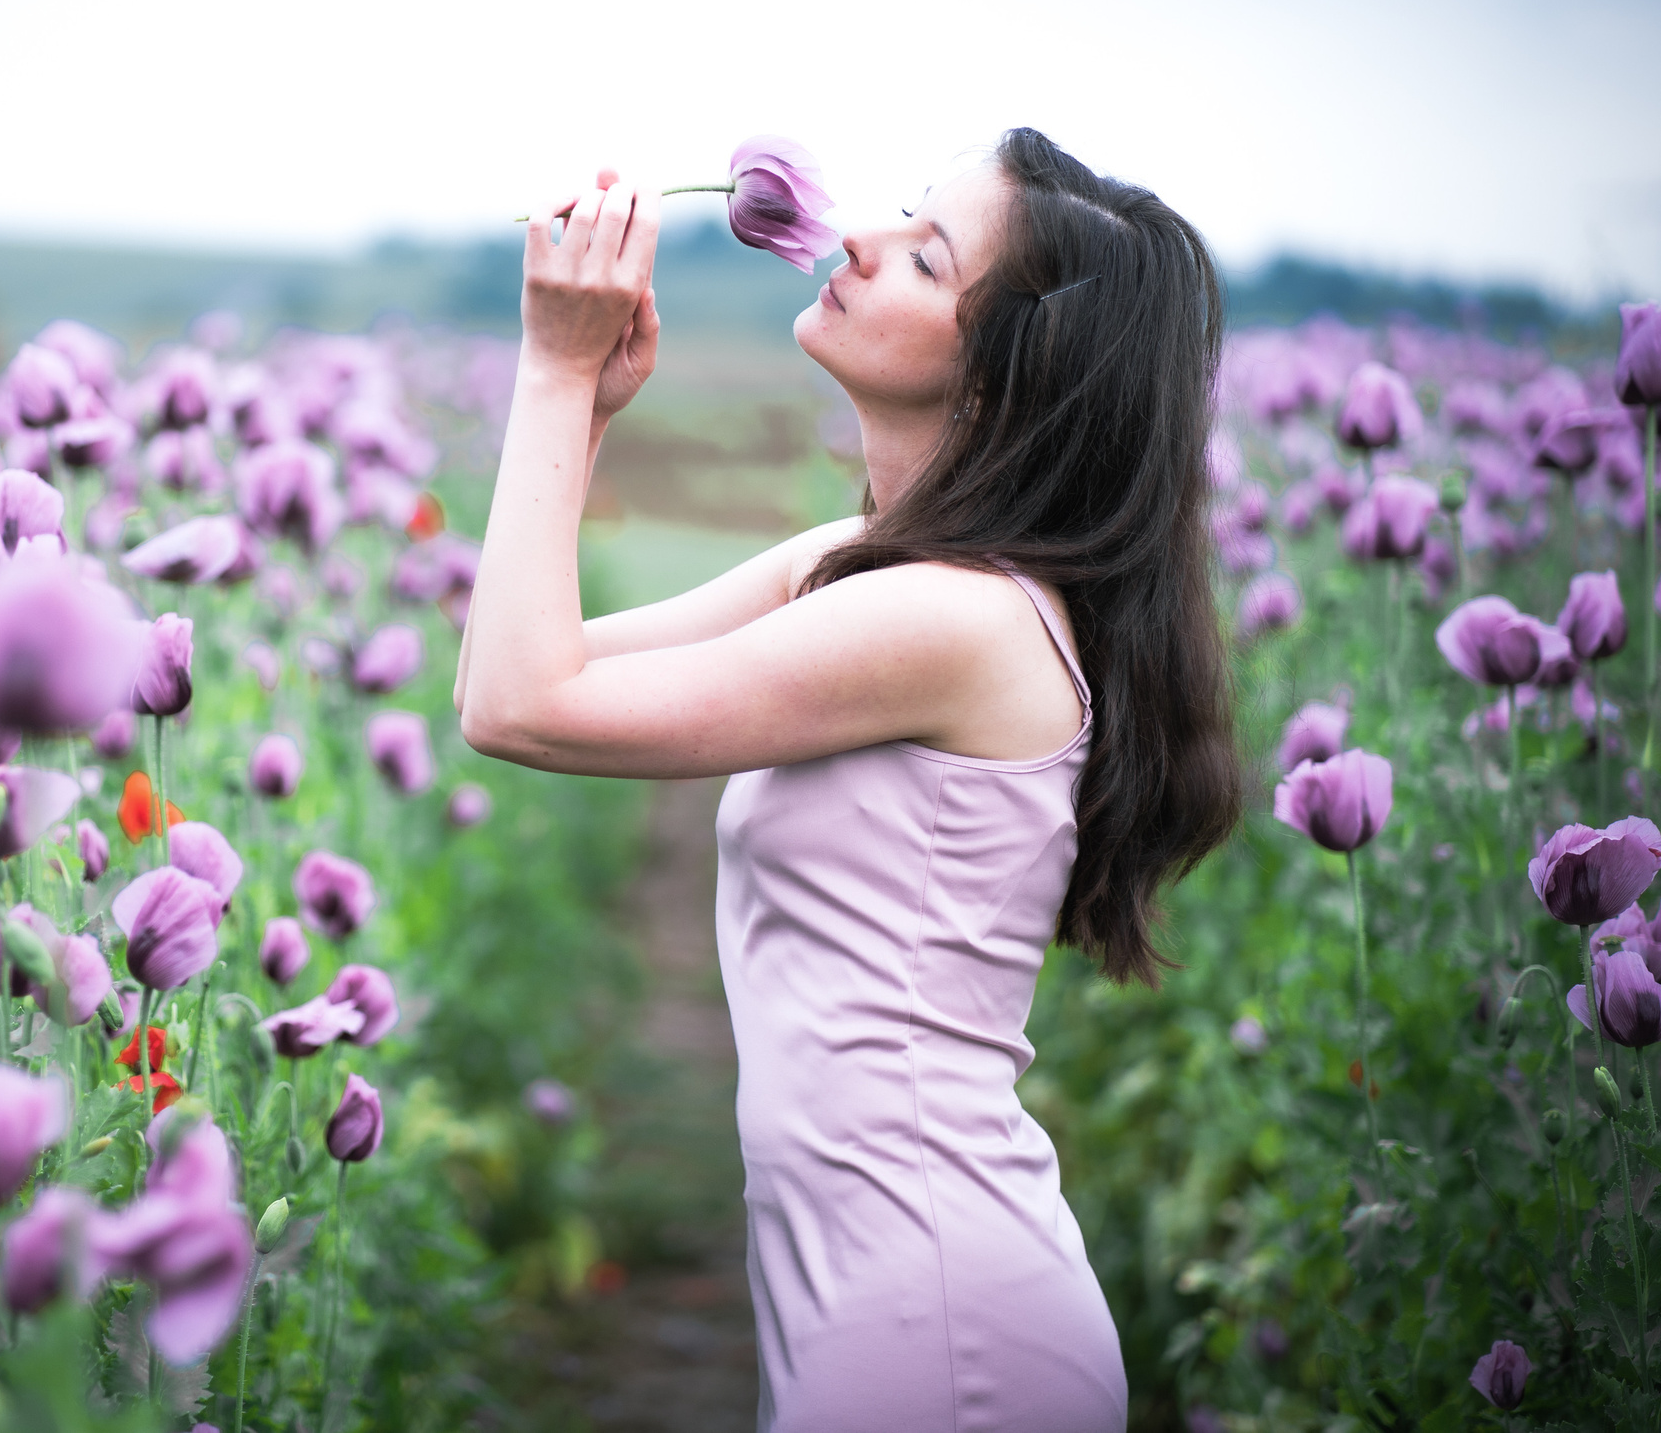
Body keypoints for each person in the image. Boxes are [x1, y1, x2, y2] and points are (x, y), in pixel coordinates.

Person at [453, 128, 1241, 1431]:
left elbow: (521, 707)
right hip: (878, 1299)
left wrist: (551, 366)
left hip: (938, 1326)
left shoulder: (956, 622)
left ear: (1002, 376)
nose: (860, 240)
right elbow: (515, 668)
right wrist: (582, 417)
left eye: (928, 259)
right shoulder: (868, 567)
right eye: (904, 216)